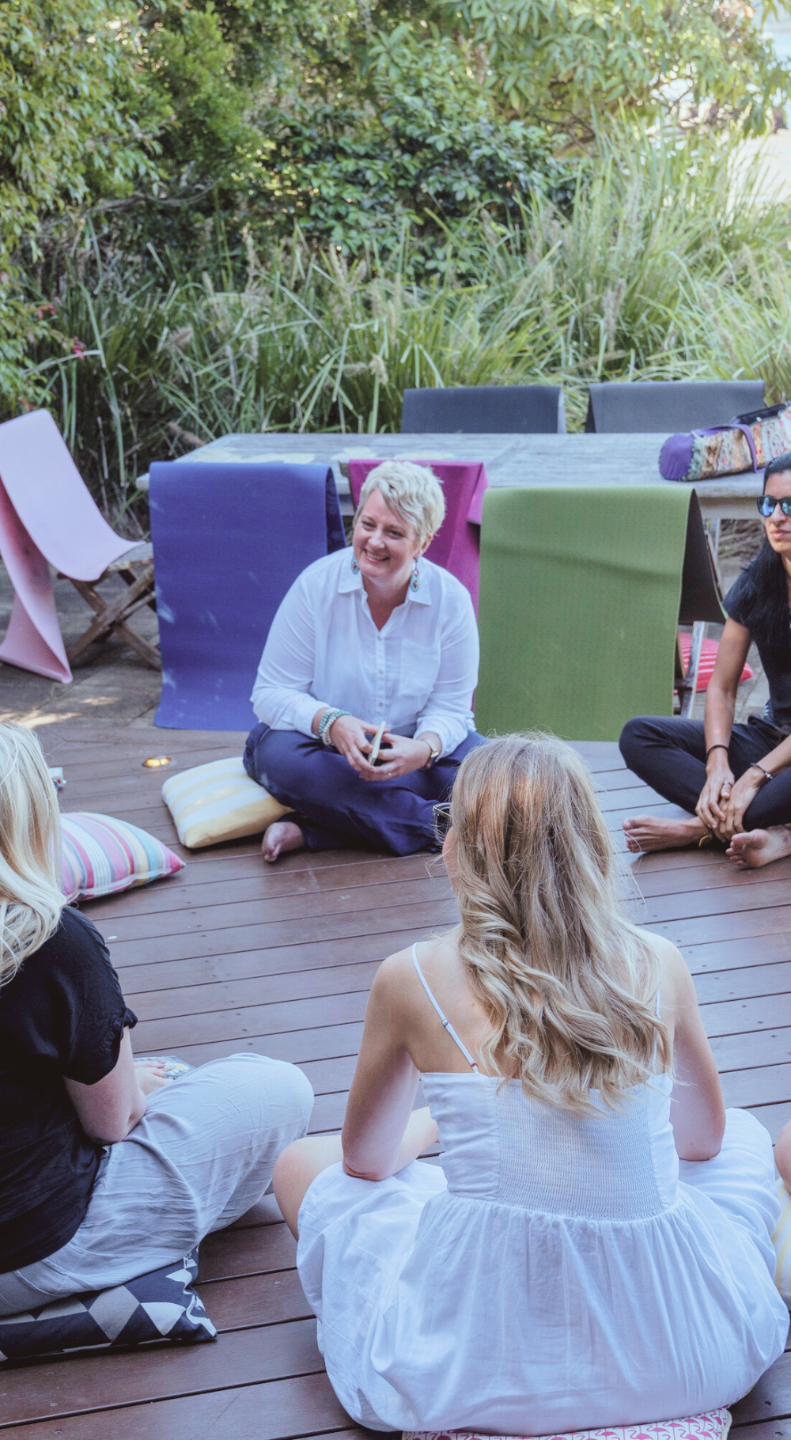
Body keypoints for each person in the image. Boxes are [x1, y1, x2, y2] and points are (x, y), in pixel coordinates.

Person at [272, 733, 787, 1434]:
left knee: (308, 1166)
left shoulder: (412, 976)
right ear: (586, 842)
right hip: (688, 1357)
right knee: (744, 1142)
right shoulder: (656, 960)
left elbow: (364, 1161)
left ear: (460, 844)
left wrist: (436, 1125)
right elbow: (703, 1143)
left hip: (474, 1375)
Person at [0, 722, 313, 1315]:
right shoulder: (50, 940)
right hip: (32, 1252)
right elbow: (111, 1125)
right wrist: (133, 1084)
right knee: (275, 1089)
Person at [243, 460, 486, 862]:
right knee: (274, 756)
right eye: (367, 524)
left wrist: (423, 750)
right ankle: (444, 829)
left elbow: (452, 709)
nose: (374, 542)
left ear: (422, 544)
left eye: (394, 533)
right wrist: (332, 722)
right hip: (324, 751)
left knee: (490, 774)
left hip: (415, 753)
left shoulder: (451, 600)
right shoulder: (314, 587)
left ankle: (321, 828)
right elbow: (269, 694)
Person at [621, 451, 791, 868]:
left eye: (790, 505)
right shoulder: (761, 577)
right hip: (773, 739)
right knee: (638, 735)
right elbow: (722, 685)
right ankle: (766, 825)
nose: (776, 517)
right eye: (768, 504)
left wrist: (755, 776)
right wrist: (718, 762)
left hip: (777, 763)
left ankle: (694, 830)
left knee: (760, 785)